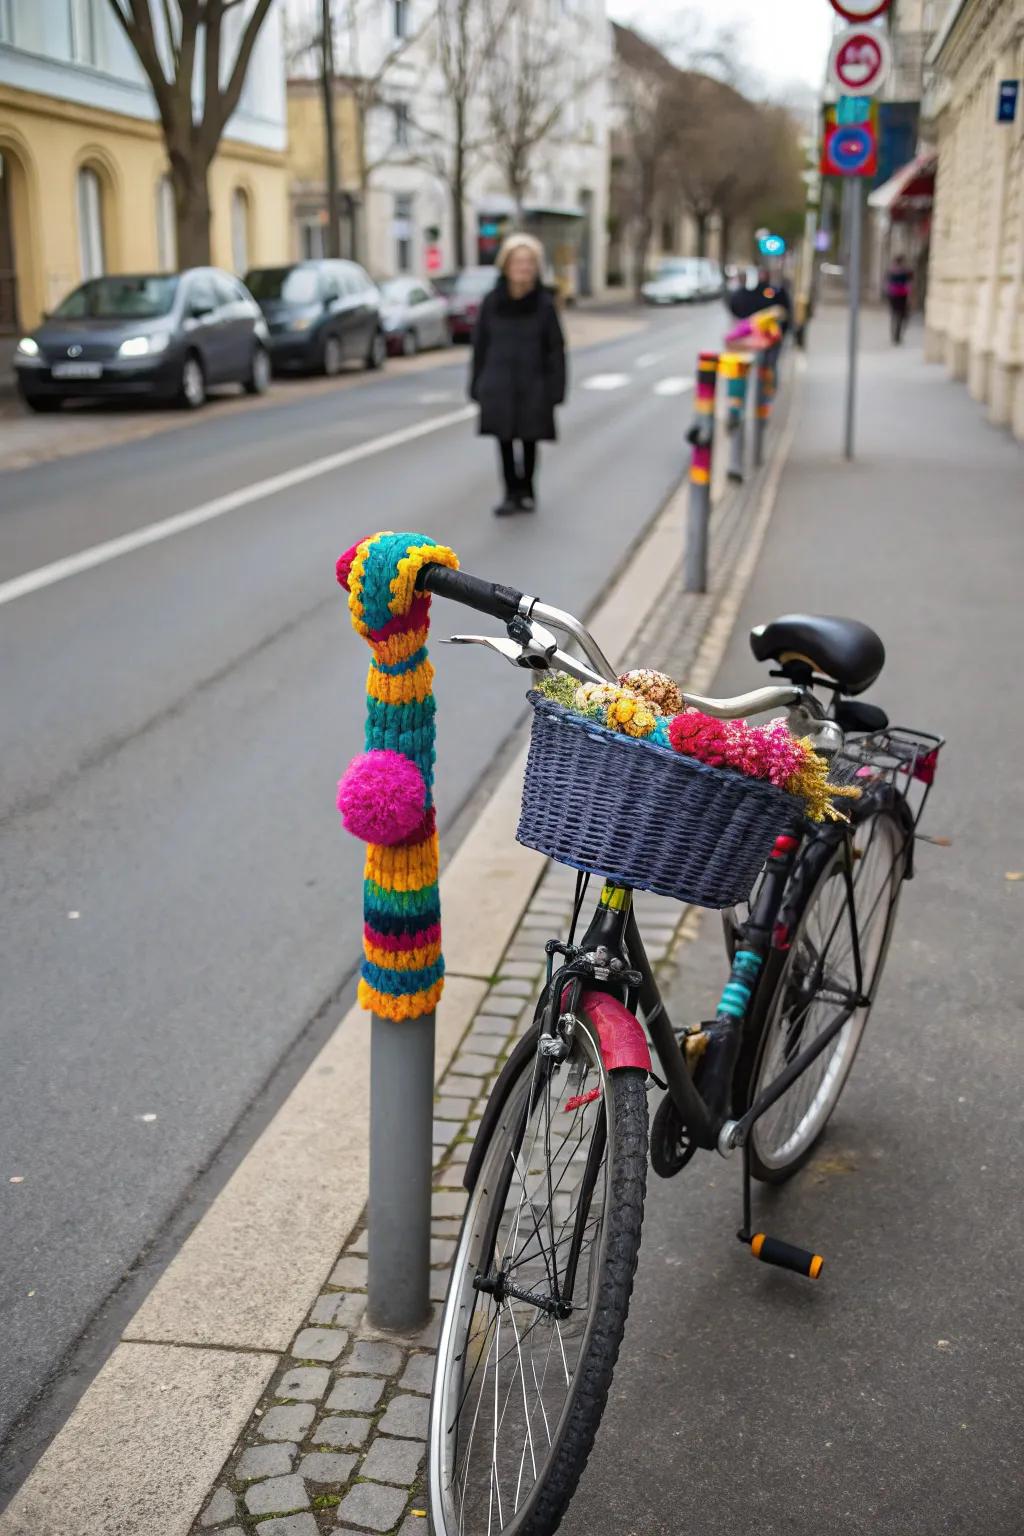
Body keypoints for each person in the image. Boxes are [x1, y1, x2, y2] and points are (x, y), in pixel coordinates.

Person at [470, 233, 567, 515]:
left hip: (533, 384)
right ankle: (510, 493)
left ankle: (527, 491)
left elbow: (556, 349)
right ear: (506, 266)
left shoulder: (545, 305)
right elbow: (480, 346)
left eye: (528, 263)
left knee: (529, 439)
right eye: (517, 262)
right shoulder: (492, 302)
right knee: (503, 440)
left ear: (535, 268)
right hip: (498, 383)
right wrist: (476, 383)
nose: (523, 268)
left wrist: (556, 389)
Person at [885, 254, 913, 344]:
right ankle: (897, 336)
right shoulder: (906, 272)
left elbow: (887, 284)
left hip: (893, 296)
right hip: (902, 296)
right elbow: (910, 284)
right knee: (901, 316)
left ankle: (894, 335)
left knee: (895, 315)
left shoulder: (891, 271)